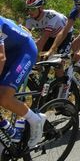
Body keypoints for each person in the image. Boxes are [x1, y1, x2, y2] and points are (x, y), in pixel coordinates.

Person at [0, 15, 47, 149]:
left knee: (4, 96)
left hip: (24, 51)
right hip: (8, 52)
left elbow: (1, 57)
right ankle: (9, 131)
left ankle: (35, 120)